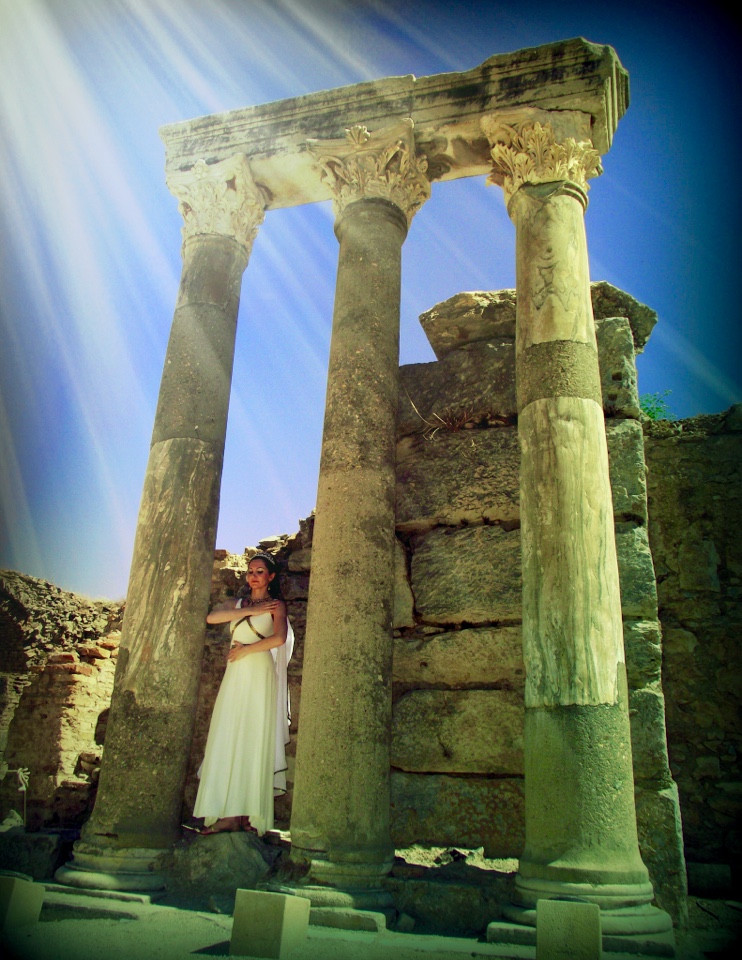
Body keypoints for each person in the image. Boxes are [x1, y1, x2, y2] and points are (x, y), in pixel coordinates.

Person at [192, 551, 293, 836]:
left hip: (258, 670)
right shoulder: (236, 604)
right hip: (235, 673)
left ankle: (246, 815)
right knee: (229, 732)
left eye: (260, 571)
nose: (254, 576)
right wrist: (249, 611)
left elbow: (279, 638)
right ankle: (227, 814)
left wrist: (247, 650)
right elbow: (212, 617)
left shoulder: (276, 605)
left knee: (252, 736)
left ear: (270, 577)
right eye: (250, 571)